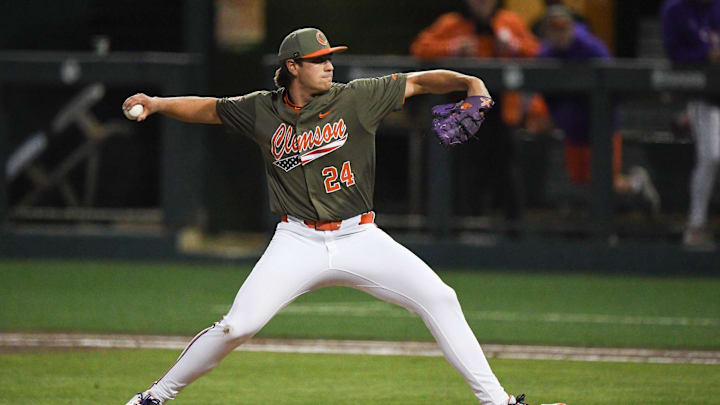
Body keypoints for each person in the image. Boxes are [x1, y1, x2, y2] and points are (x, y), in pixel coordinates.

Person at [122, 28, 552, 405]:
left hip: (360, 237)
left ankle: (500, 403)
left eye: (330, 58)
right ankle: (152, 398)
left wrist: (469, 80)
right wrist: (157, 103)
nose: (329, 65)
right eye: (318, 60)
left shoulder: (358, 97)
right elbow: (209, 108)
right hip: (297, 240)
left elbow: (421, 81)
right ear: (292, 67)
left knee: (441, 298)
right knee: (237, 326)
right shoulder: (261, 109)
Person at [411, 0, 547, 227]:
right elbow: (420, 49)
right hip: (462, 113)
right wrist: (453, 48)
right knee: (464, 172)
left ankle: (513, 232)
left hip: (502, 114)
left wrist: (513, 46)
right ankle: (462, 228)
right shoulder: (452, 23)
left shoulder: (509, 22)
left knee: (507, 172)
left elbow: (538, 52)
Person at [538, 6, 661, 214]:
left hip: (601, 125)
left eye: (562, 28)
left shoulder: (591, 48)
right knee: (581, 178)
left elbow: (614, 85)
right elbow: (547, 94)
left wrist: (606, 118)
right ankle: (633, 187)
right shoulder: (545, 55)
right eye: (553, 30)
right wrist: (558, 118)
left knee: (605, 180)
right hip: (574, 129)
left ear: (571, 27)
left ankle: (608, 226)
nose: (559, 34)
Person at [661, 0, 720, 248]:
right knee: (712, 156)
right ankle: (696, 225)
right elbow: (675, 54)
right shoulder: (675, 9)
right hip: (705, 97)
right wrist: (706, 55)